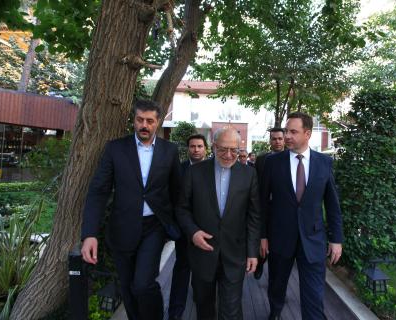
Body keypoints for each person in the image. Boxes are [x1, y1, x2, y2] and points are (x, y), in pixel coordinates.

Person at [81, 100, 181, 320]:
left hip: (154, 227)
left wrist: (179, 226)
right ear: (133, 120)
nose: (144, 125)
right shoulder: (115, 149)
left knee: (143, 285)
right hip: (122, 228)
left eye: (150, 121)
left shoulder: (170, 151)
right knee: (127, 288)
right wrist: (89, 234)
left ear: (158, 122)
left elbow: (177, 192)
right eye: (140, 120)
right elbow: (99, 192)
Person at [260, 112, 343, 320]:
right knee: (276, 285)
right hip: (280, 237)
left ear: (307, 134)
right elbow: (262, 203)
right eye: (286, 131)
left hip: (313, 239)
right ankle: (275, 312)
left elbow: (332, 204)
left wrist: (336, 239)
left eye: (293, 132)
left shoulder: (324, 163)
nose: (287, 136)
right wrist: (262, 236)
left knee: (314, 294)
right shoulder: (272, 163)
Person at [176, 127, 261, 320]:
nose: (229, 155)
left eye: (234, 150)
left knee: (231, 311)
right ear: (213, 147)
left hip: (235, 254)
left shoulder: (249, 175)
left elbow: (254, 215)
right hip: (202, 254)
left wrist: (252, 252)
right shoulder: (194, 172)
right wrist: (193, 232)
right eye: (223, 149)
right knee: (204, 308)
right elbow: (181, 209)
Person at [168, 133, 207, 320]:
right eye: (193, 146)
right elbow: (173, 199)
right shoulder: (178, 170)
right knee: (182, 268)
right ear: (188, 149)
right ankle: (175, 312)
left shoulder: (215, 170)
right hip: (184, 230)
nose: (196, 150)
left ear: (206, 148)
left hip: (208, 231)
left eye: (200, 146)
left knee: (205, 271)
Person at [253, 127, 285, 280]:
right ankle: (260, 262)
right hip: (264, 206)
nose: (277, 141)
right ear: (270, 140)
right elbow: (257, 183)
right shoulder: (261, 159)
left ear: (284, 139)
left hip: (283, 209)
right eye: (274, 138)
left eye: (280, 138)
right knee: (262, 238)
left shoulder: (290, 158)